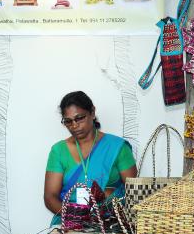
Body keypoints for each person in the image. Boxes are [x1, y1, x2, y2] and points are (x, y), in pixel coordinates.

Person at [43, 91, 137, 225]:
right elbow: (50, 197)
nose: (74, 126)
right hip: (70, 221)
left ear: (92, 113)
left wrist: (107, 196)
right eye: (68, 122)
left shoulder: (117, 147)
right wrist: (76, 217)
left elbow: (133, 193)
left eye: (79, 118)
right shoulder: (58, 151)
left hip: (111, 221)